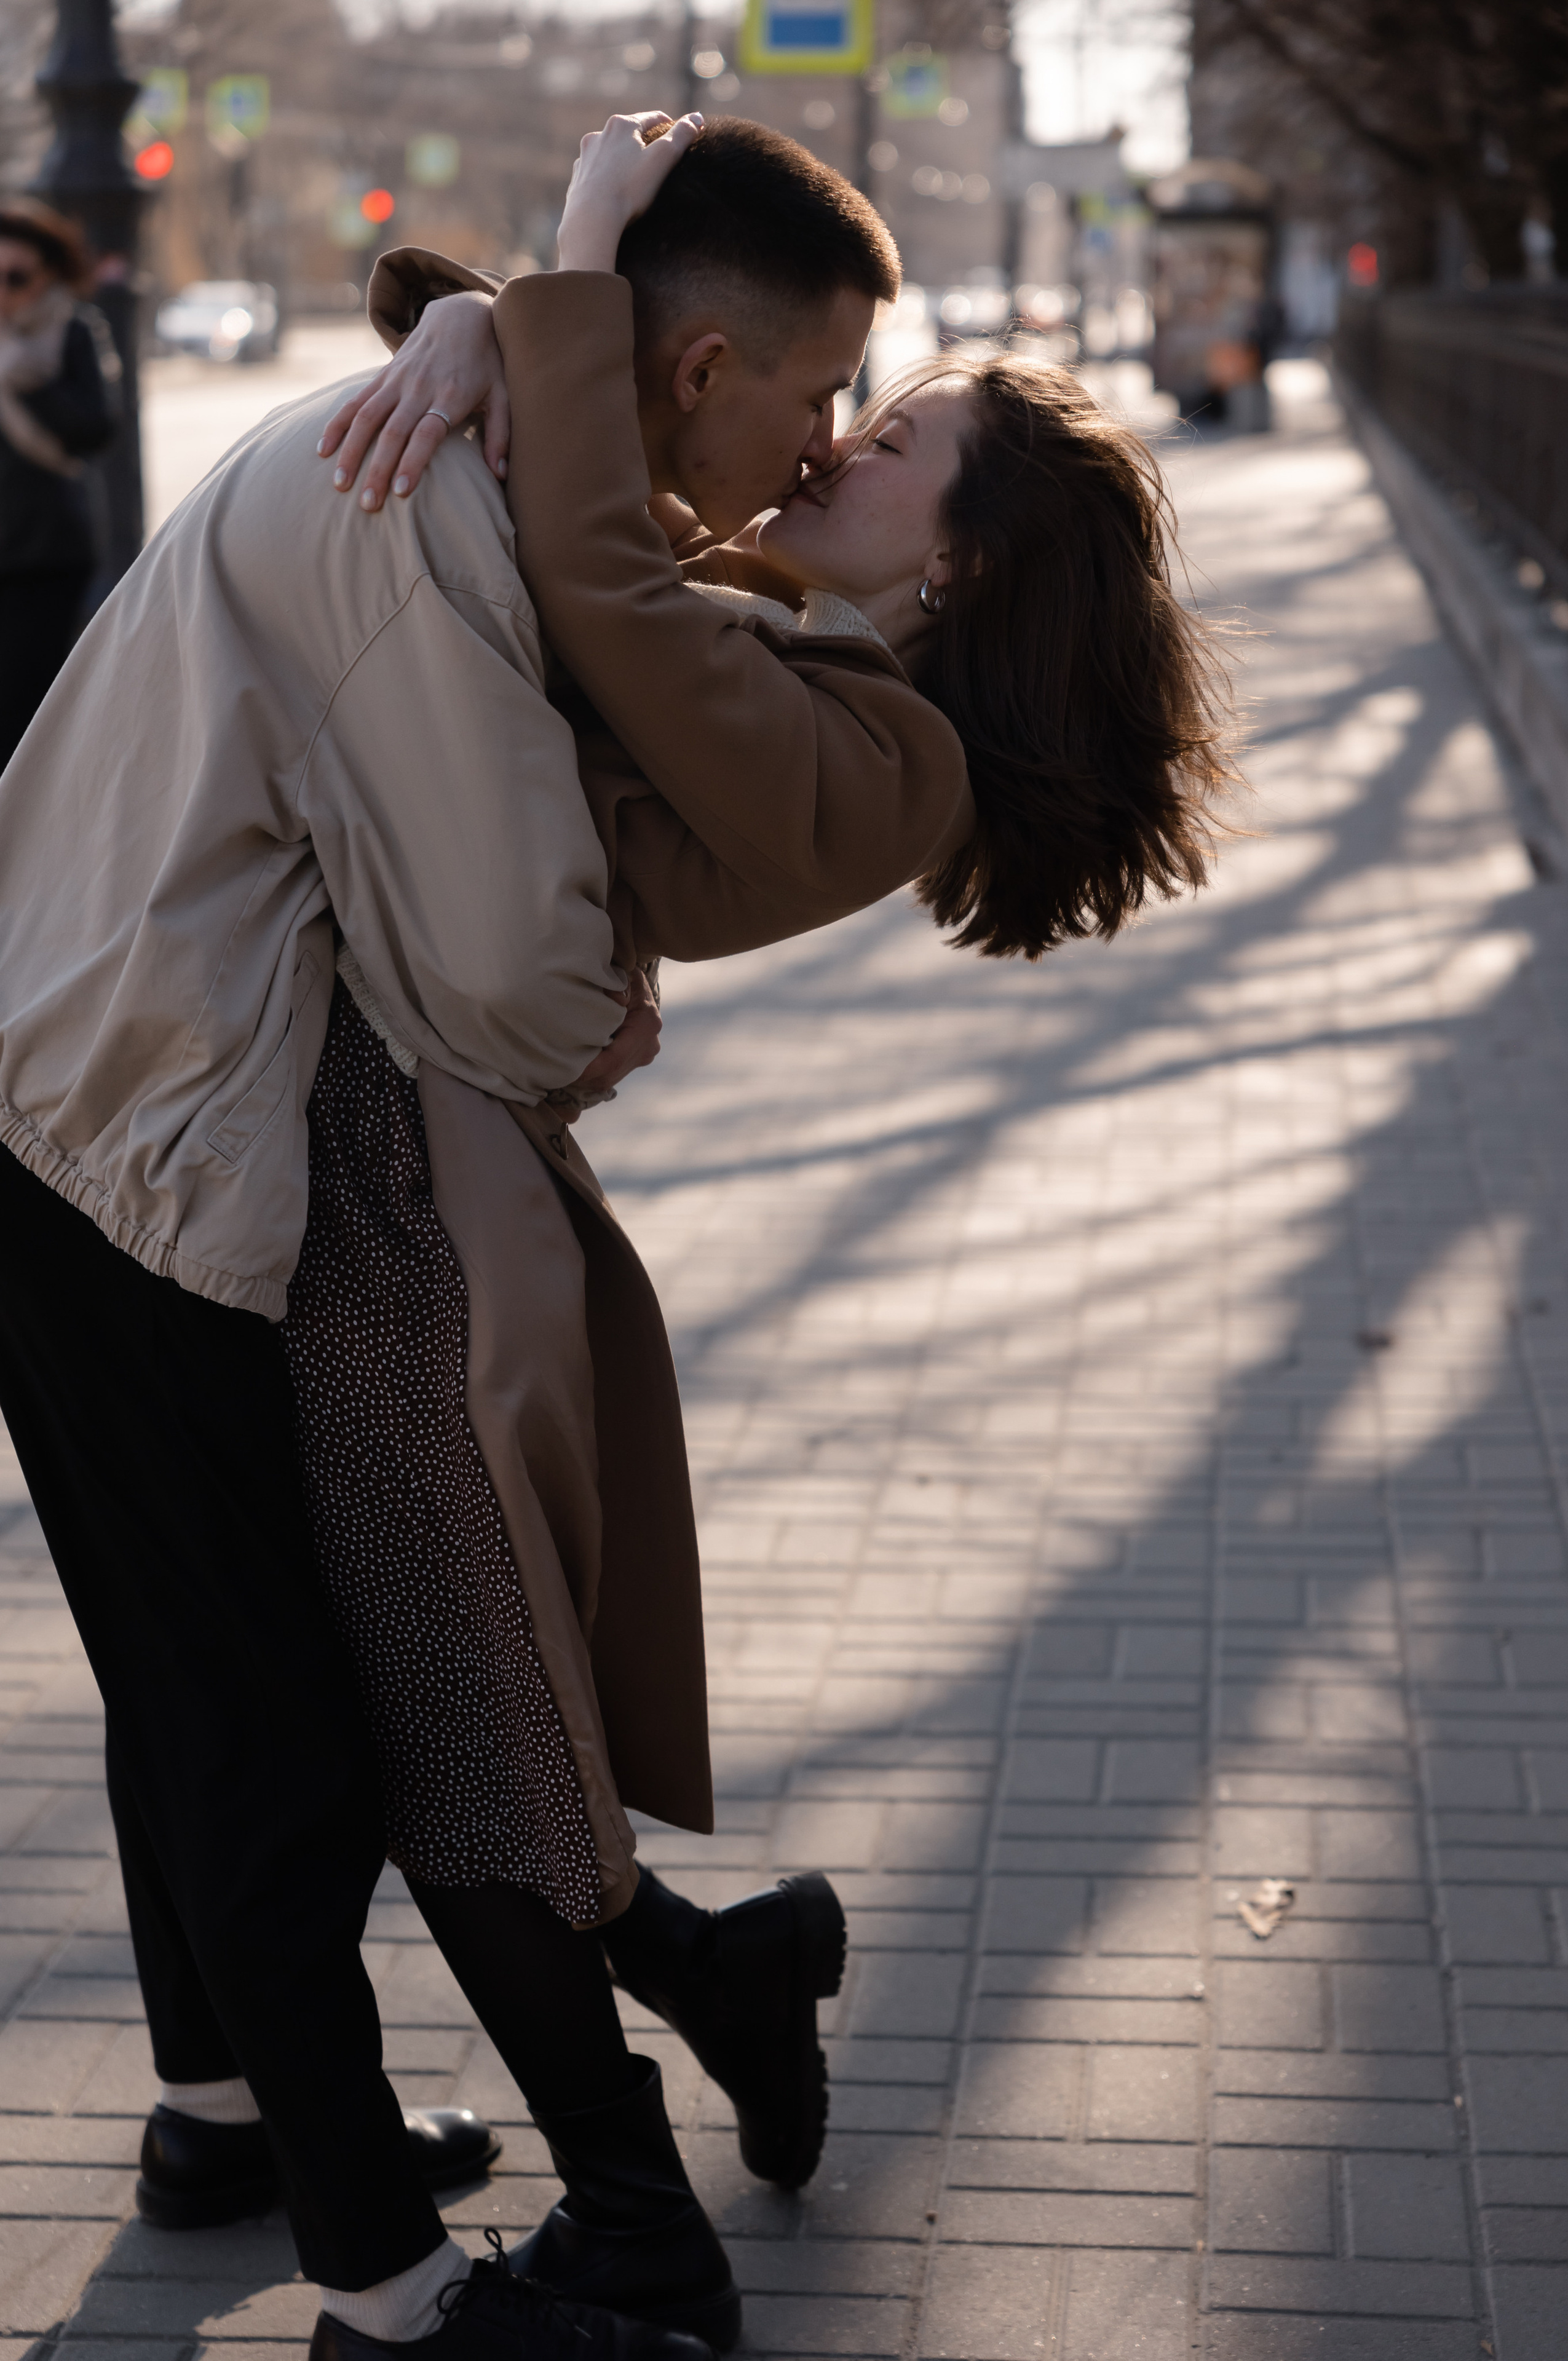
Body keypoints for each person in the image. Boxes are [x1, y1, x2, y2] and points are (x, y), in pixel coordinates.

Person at [0, 115, 927, 2361]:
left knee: (193, 1697)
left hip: (76, 1101)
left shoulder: (458, 440)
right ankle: (389, 2298)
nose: (812, 456)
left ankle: (226, 2118)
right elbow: (510, 975)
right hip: (133, 1149)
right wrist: (582, 978)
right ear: (688, 365)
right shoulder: (427, 495)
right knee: (272, 1744)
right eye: (810, 403)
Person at [0, 199, 117, 770]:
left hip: (43, 551)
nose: (4, 290)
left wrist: (32, 383)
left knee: (25, 709)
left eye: (15, 277)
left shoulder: (71, 331)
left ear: (47, 274)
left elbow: (97, 428)